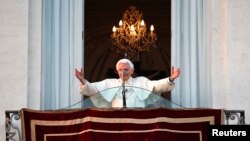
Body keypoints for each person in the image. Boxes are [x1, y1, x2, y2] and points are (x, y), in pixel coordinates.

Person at [75, 58, 180, 108]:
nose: (123, 72)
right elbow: (93, 90)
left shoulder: (141, 81)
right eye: (120, 70)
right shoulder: (110, 83)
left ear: (132, 71)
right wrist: (82, 80)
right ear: (117, 71)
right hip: (116, 120)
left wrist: (170, 79)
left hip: (138, 119)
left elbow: (156, 86)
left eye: (125, 69)